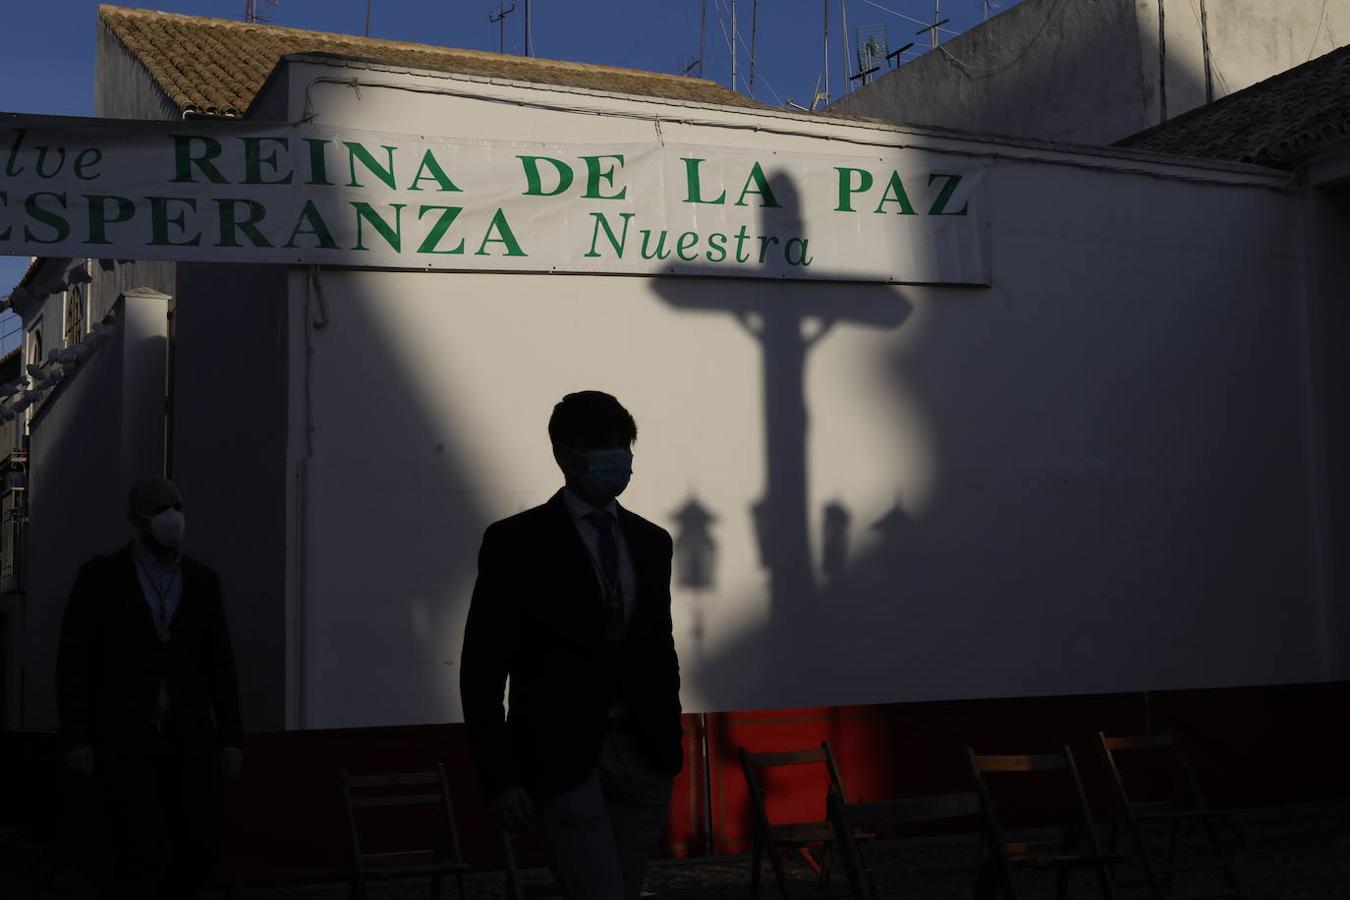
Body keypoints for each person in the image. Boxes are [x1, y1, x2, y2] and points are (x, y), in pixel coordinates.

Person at [460, 391, 683, 900]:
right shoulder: (516, 542)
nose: (616, 458)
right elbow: (483, 668)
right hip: (561, 757)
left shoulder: (651, 542)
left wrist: (670, 744)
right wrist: (499, 776)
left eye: (621, 445)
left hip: (643, 755)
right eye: (601, 446)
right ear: (565, 454)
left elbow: (659, 650)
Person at [56, 476, 243, 900]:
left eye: (176, 506)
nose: (171, 517)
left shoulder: (201, 581)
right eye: (159, 509)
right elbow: (75, 662)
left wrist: (231, 738)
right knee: (135, 848)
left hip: (189, 739)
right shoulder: (101, 578)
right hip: (126, 739)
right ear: (135, 519)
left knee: (200, 843)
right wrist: (77, 736)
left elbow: (221, 663)